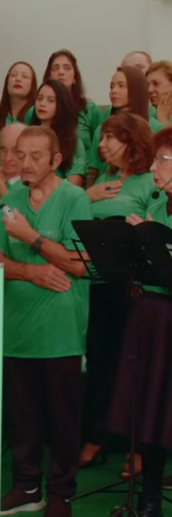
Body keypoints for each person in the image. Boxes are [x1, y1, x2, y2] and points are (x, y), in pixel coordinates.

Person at [0, 125, 91, 517]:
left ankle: (61, 494)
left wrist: (31, 238)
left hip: (61, 331)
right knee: (23, 417)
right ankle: (26, 486)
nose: (25, 163)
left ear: (56, 161)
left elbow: (79, 266)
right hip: (16, 328)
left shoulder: (75, 198)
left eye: (37, 156)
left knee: (63, 419)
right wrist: (31, 272)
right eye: (20, 154)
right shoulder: (10, 198)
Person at [80, 113, 159, 478]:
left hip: (135, 292)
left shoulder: (149, 183)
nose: (102, 145)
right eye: (101, 138)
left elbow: (154, 236)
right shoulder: (104, 182)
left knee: (135, 369)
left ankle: (138, 448)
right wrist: (86, 195)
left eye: (111, 137)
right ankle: (96, 435)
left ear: (133, 141)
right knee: (98, 362)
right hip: (97, 286)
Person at [115, 126, 172, 517]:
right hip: (153, 318)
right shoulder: (154, 210)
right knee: (152, 407)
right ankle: (149, 498)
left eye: (163, 160)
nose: (154, 168)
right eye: (154, 160)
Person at [87, 66, 165, 183]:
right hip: (103, 191)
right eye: (111, 86)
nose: (114, 91)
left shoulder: (155, 128)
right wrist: (91, 195)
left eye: (121, 86)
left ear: (137, 89)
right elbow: (92, 172)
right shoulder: (101, 130)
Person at [41, 49, 102, 150]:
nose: (61, 72)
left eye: (67, 68)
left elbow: (101, 152)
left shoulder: (91, 110)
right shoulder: (37, 110)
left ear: (75, 78)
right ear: (48, 76)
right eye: (55, 68)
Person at [29, 80, 87, 186]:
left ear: (62, 105)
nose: (42, 104)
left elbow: (73, 189)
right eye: (39, 98)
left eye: (51, 100)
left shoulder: (74, 143)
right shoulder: (27, 138)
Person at [0, 62, 38, 129]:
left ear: (32, 85)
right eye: (13, 75)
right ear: (7, 84)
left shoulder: (36, 115)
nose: (18, 79)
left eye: (24, 76)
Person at [147, 61, 172, 128]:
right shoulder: (147, 117)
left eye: (156, 84)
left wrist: (163, 120)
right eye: (147, 85)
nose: (149, 90)